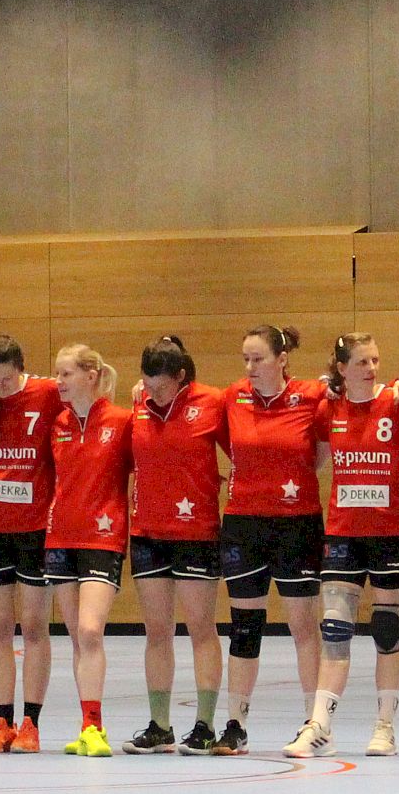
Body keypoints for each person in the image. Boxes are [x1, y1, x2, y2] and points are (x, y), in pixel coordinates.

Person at [287, 334, 399, 758]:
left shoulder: (397, 403)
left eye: (375, 360)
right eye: (362, 361)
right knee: (335, 631)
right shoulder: (329, 407)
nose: (371, 368)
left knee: (386, 628)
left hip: (389, 530)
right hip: (343, 530)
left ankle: (385, 726)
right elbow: (318, 459)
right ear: (342, 368)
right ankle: (320, 725)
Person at [202, 324, 328, 756]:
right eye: (245, 360)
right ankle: (235, 724)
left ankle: (316, 723)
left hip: (297, 524)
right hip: (243, 524)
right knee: (244, 628)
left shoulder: (311, 396)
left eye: (258, 359)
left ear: (282, 359)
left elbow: (324, 448)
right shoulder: (233, 397)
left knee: (303, 626)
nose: (250, 367)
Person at [123, 336, 226, 754]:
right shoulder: (139, 405)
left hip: (196, 532)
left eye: (161, 386)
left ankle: (204, 725)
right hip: (147, 532)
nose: (152, 392)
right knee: (156, 632)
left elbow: (246, 453)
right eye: (146, 384)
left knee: (202, 628)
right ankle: (160, 725)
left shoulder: (212, 403)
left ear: (181, 377)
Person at [0, 336, 59, 753]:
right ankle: (2, 722)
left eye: (7, 378)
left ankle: (30, 724)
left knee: (35, 627)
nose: (0, 386)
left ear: (22, 368)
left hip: (36, 527)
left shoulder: (47, 392)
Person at [43, 345, 133, 757]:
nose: (58, 382)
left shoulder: (122, 421)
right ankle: (86, 727)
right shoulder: (57, 424)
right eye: (57, 374)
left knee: (90, 629)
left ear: (91, 375)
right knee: (77, 640)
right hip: (61, 536)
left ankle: (96, 727)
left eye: (66, 374)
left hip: (103, 536)